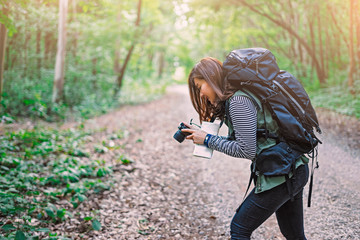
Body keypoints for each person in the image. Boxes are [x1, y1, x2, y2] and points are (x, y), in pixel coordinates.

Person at [181, 57, 309, 240]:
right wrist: (204, 137)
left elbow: (245, 150)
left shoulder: (238, 101)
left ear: (210, 80)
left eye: (200, 86)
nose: (200, 94)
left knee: (240, 228)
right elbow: (247, 141)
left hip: (284, 174)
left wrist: (208, 140)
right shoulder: (239, 98)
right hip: (292, 168)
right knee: (293, 234)